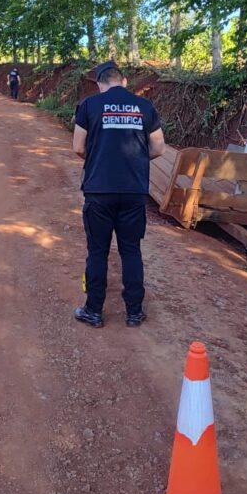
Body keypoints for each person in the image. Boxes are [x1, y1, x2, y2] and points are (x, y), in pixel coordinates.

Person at [72, 60, 165, 328]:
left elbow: (78, 147)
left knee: (98, 251)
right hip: (133, 191)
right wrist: (135, 159)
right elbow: (158, 148)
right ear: (124, 82)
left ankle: (94, 311)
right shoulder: (145, 107)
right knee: (131, 250)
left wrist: (101, 157)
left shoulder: (89, 105)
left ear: (100, 85)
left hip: (99, 191)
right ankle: (134, 312)